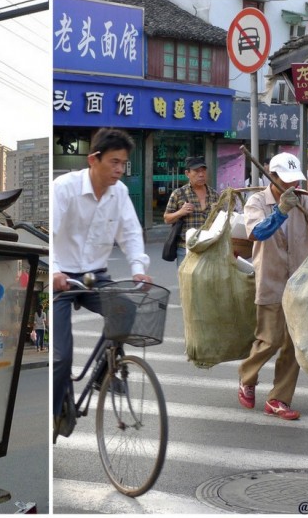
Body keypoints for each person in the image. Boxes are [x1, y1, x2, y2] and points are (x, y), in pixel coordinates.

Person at [236, 152, 308, 421]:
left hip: (298, 281)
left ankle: (279, 399)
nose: (291, 186)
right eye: (285, 181)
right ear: (272, 177)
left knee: (293, 343)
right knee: (269, 339)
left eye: (294, 181)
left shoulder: (303, 199)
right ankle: (247, 376)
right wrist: (280, 212)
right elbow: (257, 233)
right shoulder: (257, 202)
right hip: (270, 280)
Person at [51, 128, 151, 430]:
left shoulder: (119, 193)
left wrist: (138, 267)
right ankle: (56, 413)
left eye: (124, 163)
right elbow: (50, 234)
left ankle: (102, 373)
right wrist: (55, 270)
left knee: (126, 308)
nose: (120, 170)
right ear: (93, 159)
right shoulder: (64, 188)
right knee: (59, 357)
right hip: (62, 279)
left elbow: (131, 233)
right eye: (114, 162)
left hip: (95, 275)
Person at [163, 156, 220, 266]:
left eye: (203, 170)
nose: (201, 174)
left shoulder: (214, 195)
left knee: (208, 282)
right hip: (185, 249)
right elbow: (166, 218)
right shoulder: (178, 194)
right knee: (187, 282)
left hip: (209, 249)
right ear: (187, 173)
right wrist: (180, 212)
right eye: (196, 171)